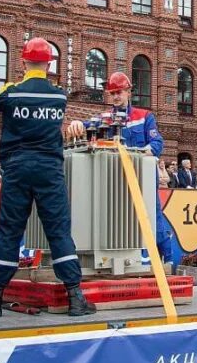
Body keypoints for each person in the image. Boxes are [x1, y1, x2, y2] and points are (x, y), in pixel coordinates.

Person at [0, 37, 95, 317]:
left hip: (16, 169)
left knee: (9, 231)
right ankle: (75, 298)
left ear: (23, 61)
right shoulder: (59, 96)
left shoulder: (11, 92)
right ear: (49, 64)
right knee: (58, 231)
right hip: (49, 170)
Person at [67, 71, 173, 264]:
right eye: (113, 92)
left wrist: (136, 157)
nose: (116, 96)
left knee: (153, 220)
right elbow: (85, 126)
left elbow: (157, 144)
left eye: (119, 92)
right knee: (120, 222)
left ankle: (166, 262)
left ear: (128, 92)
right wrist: (76, 124)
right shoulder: (105, 119)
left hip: (143, 182)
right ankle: (128, 261)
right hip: (116, 183)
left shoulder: (144, 117)